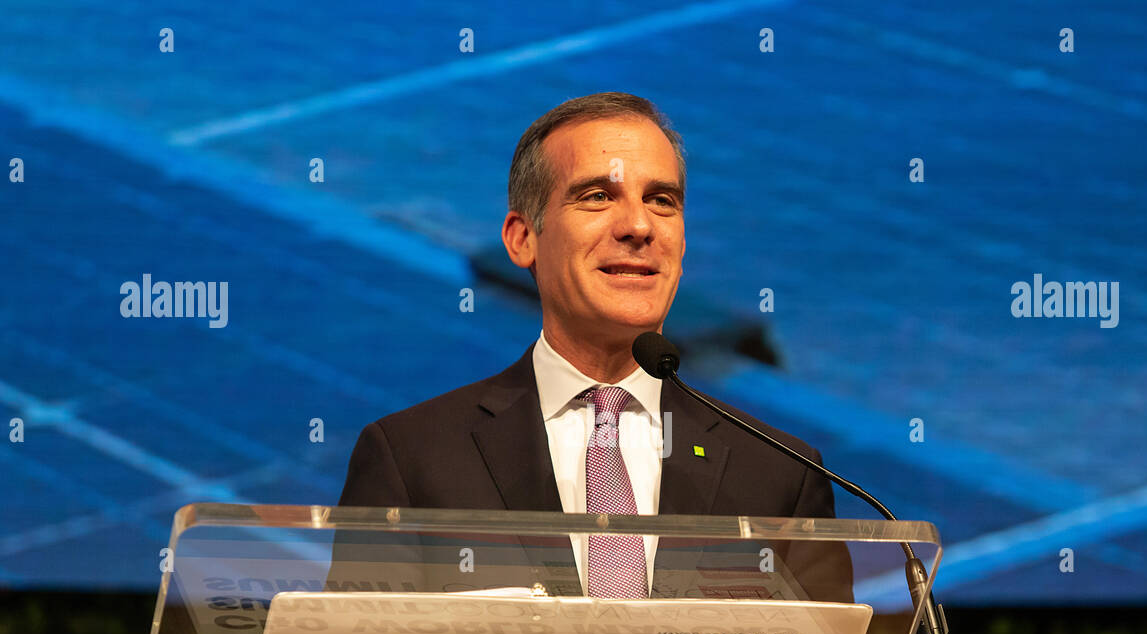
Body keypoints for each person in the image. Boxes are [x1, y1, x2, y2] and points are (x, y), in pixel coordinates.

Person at [335, 91, 852, 603]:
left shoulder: (783, 475)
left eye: (661, 201)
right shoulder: (410, 459)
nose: (639, 226)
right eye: (598, 196)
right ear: (521, 239)